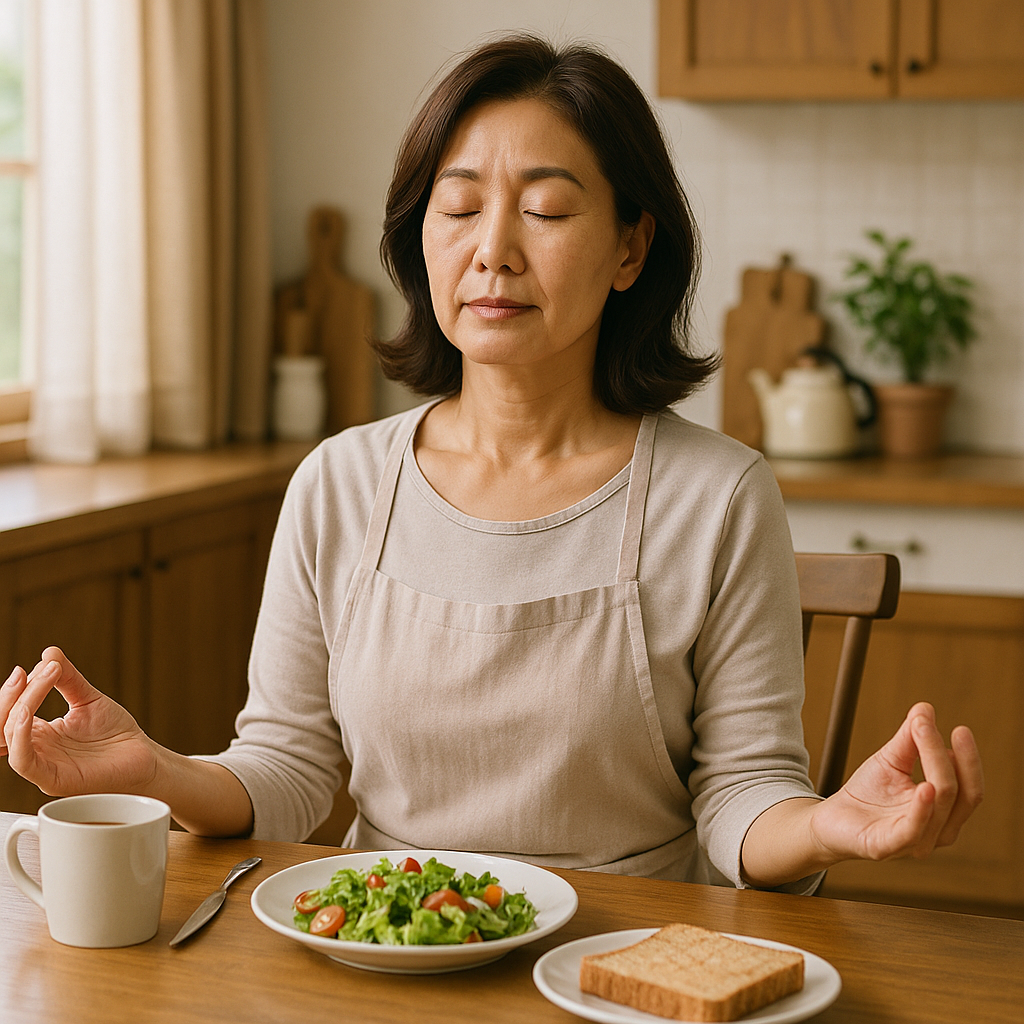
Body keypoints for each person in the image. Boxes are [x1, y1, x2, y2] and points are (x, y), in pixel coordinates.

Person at [1, 35, 982, 892]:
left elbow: (738, 797)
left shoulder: (719, 496)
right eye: (457, 207)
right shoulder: (337, 486)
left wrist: (829, 824)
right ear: (418, 239)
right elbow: (289, 773)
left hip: (623, 957)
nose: (493, 252)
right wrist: (151, 769)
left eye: (548, 211)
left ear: (631, 246)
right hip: (384, 942)